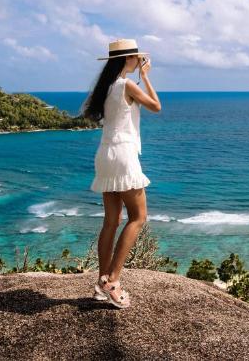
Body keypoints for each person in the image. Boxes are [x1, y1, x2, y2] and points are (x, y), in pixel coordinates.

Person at [80, 38, 161, 308]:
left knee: (111, 221)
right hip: (123, 154)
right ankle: (113, 281)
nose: (139, 61)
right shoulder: (127, 85)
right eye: (137, 57)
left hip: (105, 154)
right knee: (138, 217)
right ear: (128, 59)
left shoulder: (105, 87)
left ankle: (101, 282)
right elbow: (156, 106)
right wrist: (145, 77)